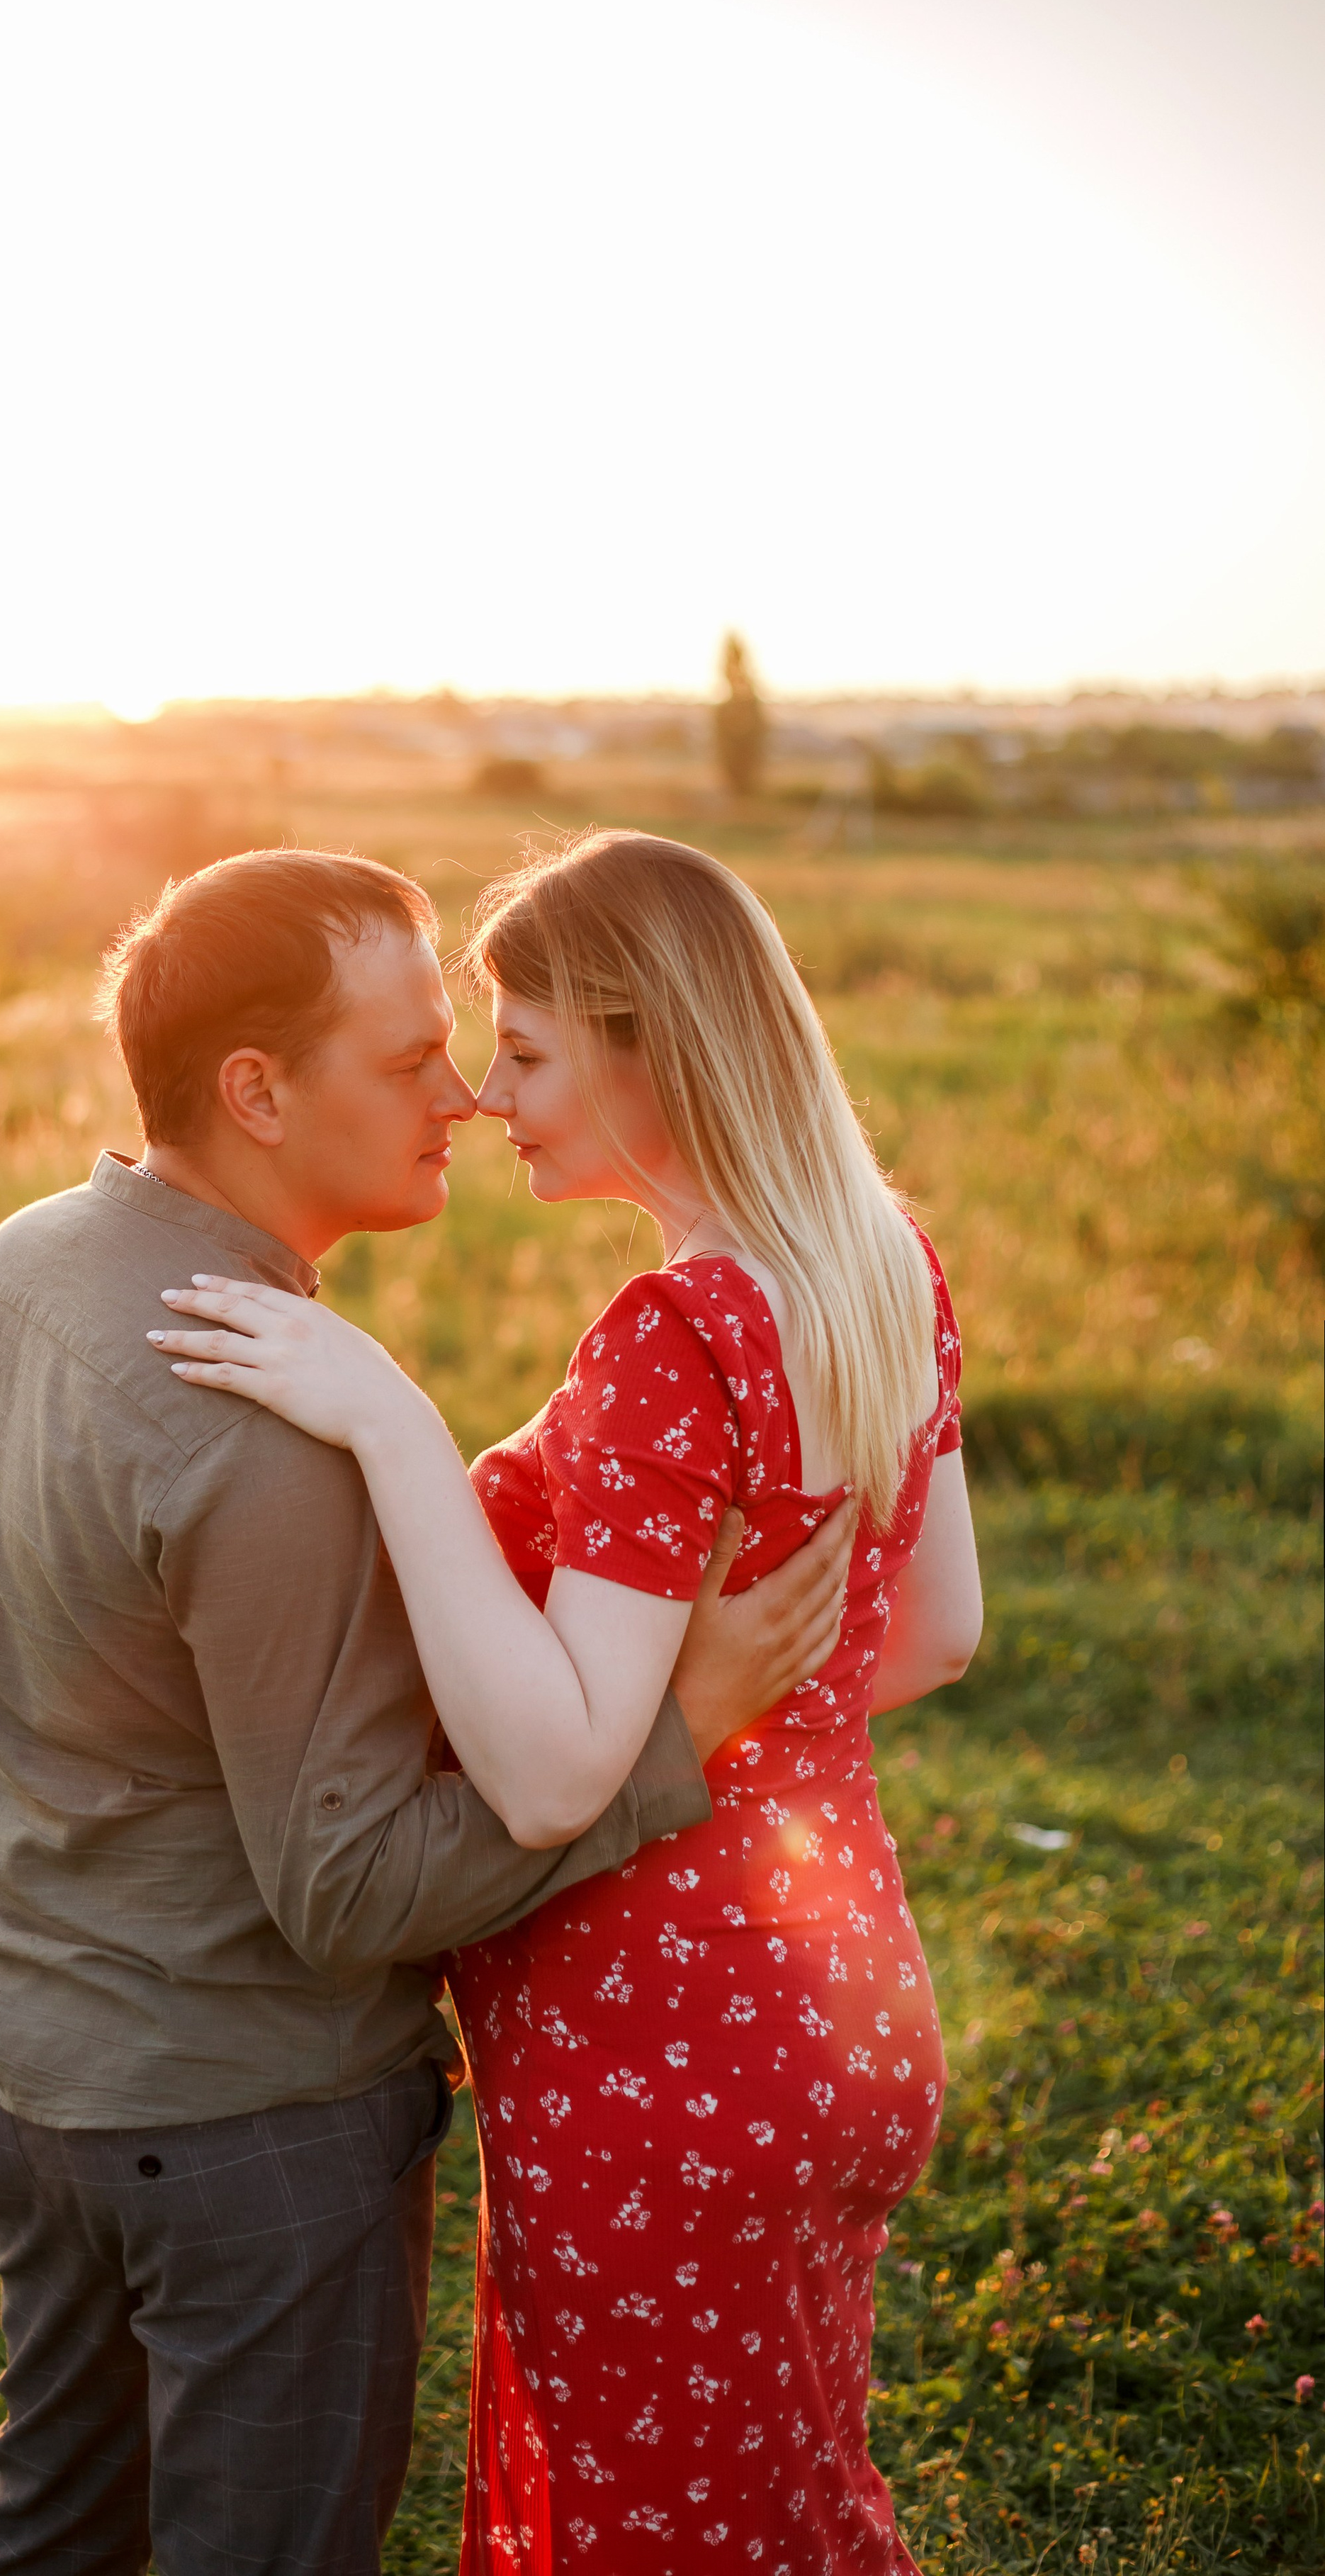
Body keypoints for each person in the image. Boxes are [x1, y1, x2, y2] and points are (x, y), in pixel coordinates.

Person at [0, 845, 854, 2576]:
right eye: (409, 1057)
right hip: (236, 2129)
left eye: (465, 1047)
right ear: (255, 1090)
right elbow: (346, 1890)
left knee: (56, 2520)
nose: (469, 1098)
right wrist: (679, 1731)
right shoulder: (265, 1436)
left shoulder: (27, 1262)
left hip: (22, 2054)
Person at [151, 828, 984, 2575]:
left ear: (645, 1044)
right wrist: (736, 1706)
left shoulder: (672, 1339)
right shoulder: (879, 1266)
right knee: (793, 2502)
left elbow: (548, 1775)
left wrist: (386, 1418)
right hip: (838, 2018)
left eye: (523, 1050)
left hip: (656, 2067)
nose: (484, 1093)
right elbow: (927, 1639)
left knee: (659, 2539)